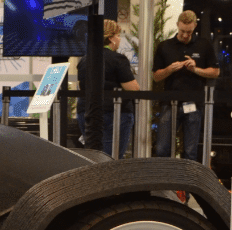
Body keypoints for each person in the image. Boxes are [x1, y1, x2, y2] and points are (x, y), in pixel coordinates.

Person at [153, 9, 219, 160]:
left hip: (193, 104)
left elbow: (215, 72)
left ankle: (186, 182)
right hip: (169, 103)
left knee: (190, 151)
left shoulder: (204, 45)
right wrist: (170, 69)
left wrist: (195, 69)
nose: (185, 35)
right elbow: (156, 76)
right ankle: (164, 181)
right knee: (162, 148)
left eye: (188, 32)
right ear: (177, 25)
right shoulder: (165, 46)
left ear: (195, 26)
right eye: (182, 31)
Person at [76, 20, 139, 158]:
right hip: (113, 113)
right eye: (118, 36)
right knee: (111, 158)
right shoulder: (118, 59)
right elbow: (133, 88)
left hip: (85, 111)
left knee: (92, 156)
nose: (119, 40)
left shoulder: (85, 59)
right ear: (111, 38)